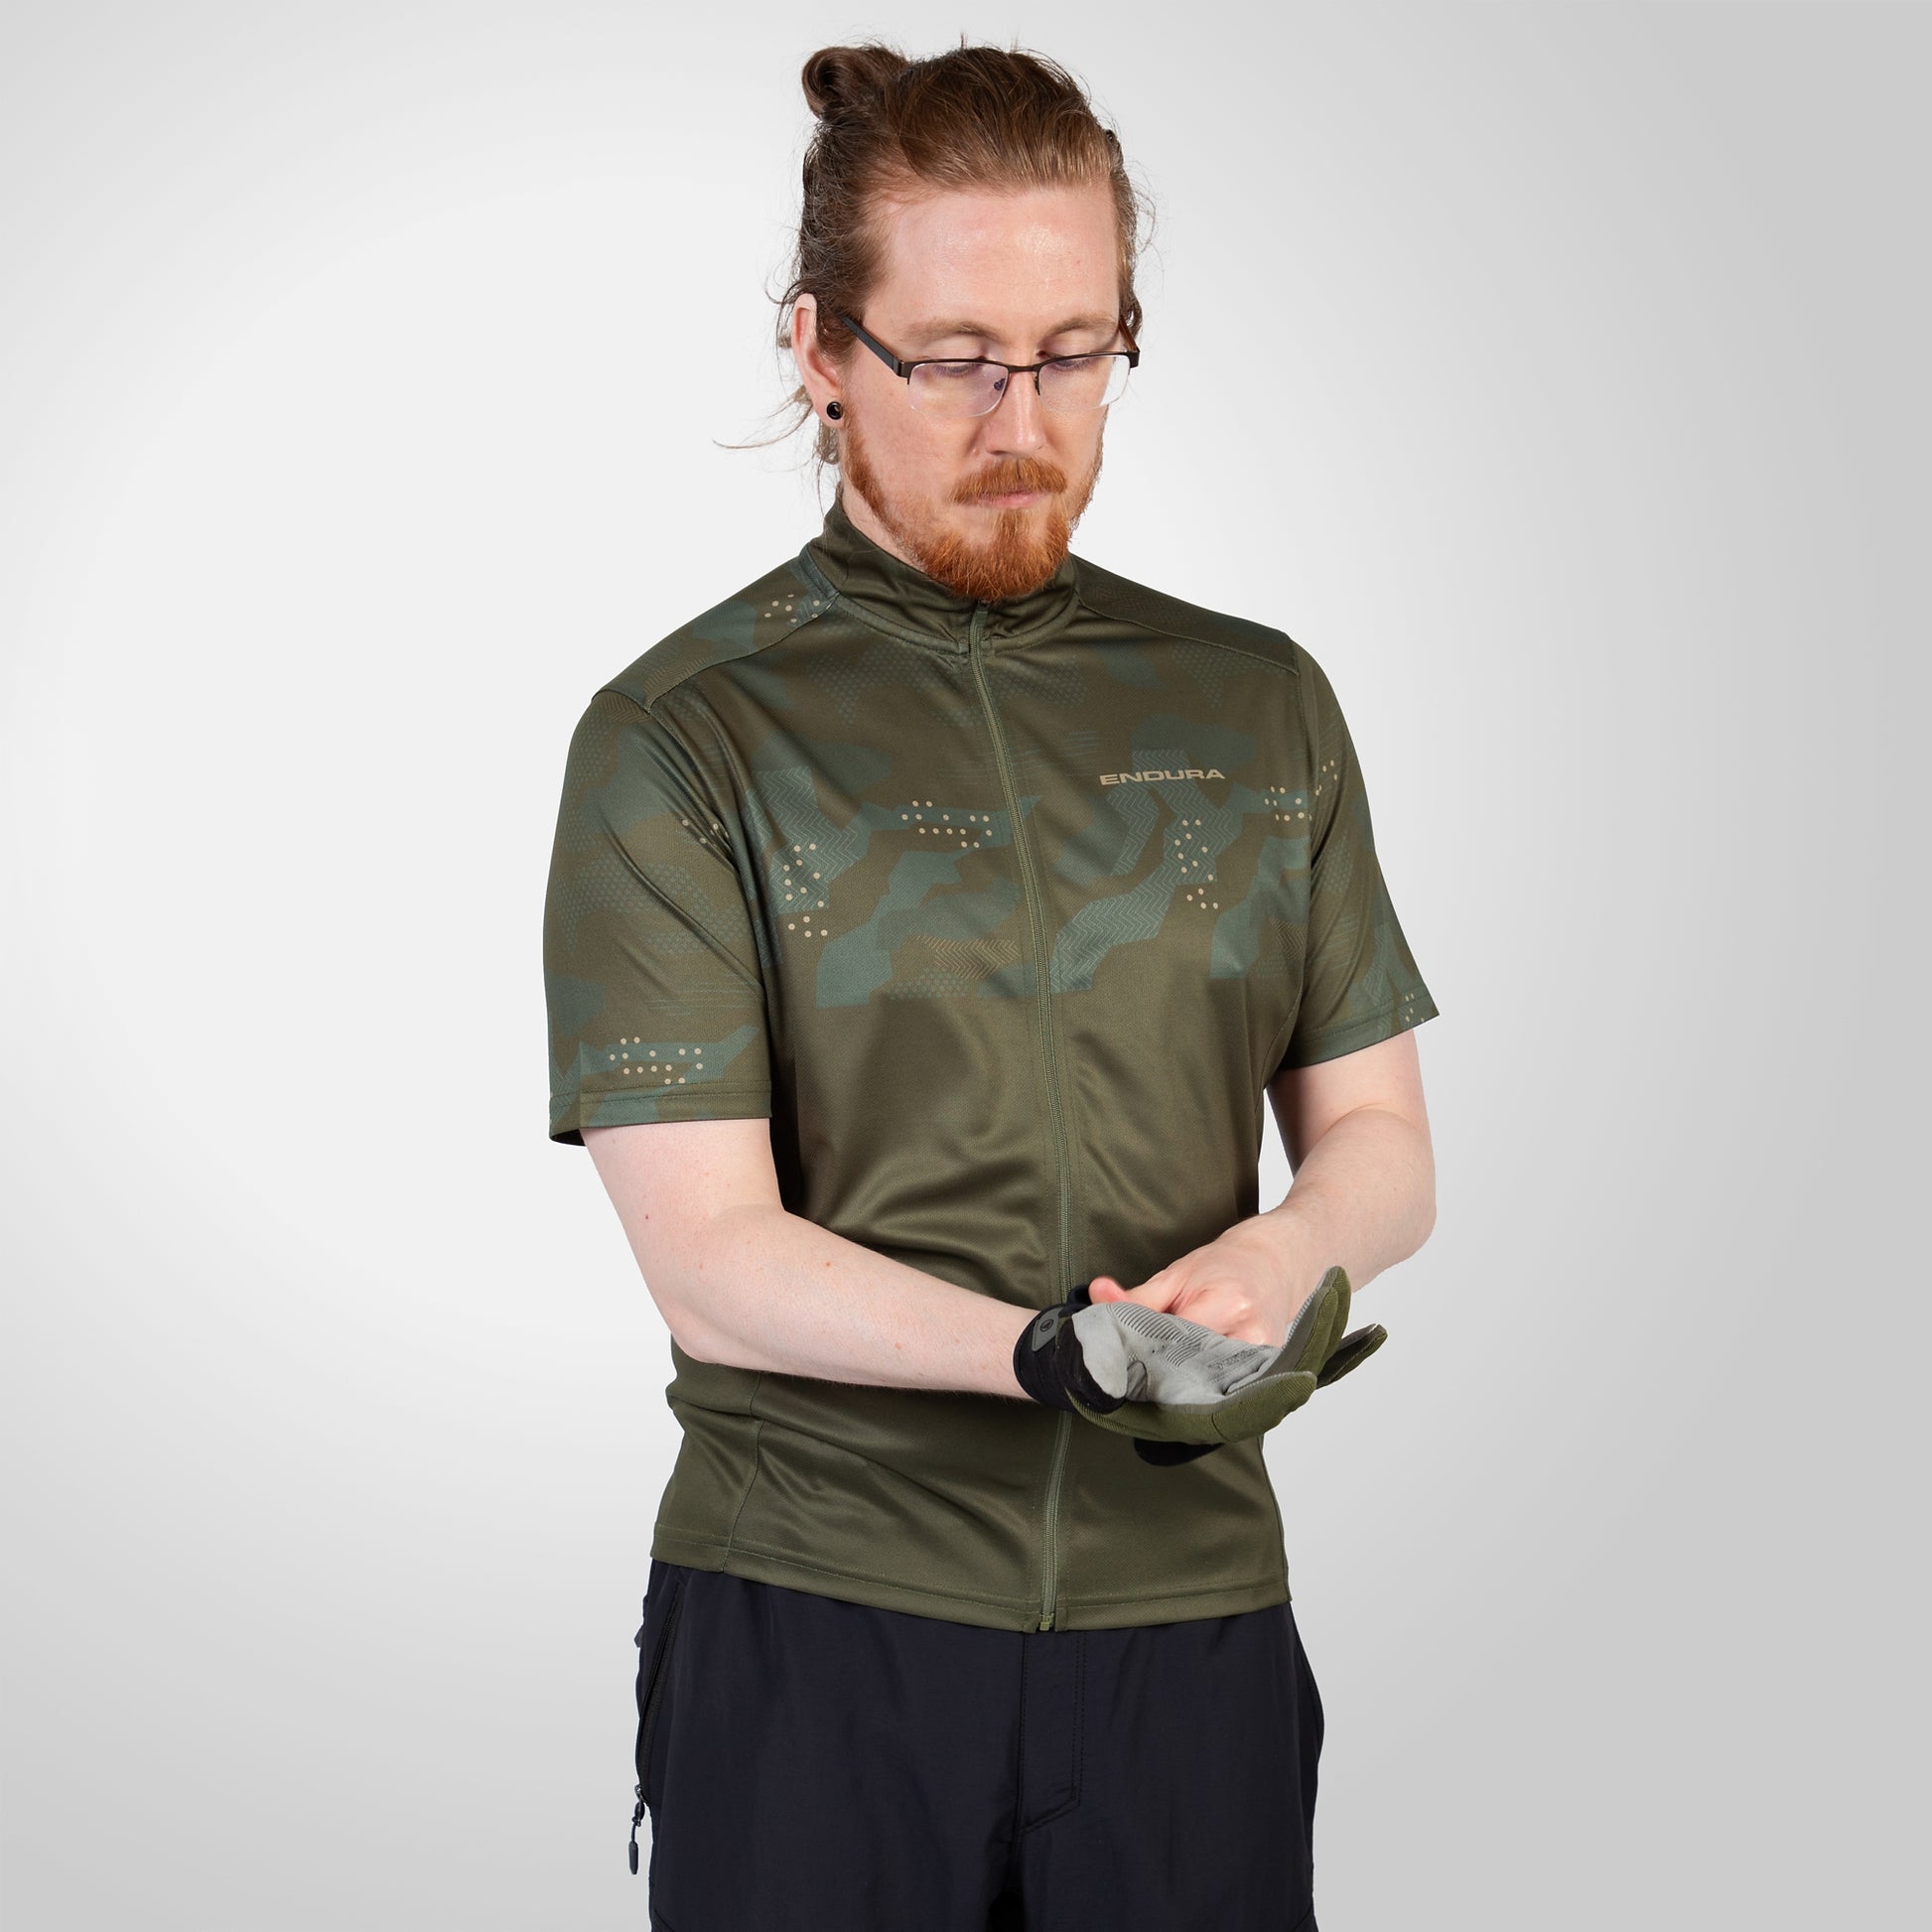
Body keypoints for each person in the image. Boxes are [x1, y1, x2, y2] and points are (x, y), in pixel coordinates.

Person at [540, 37, 1439, 1932]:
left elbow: (1377, 1137)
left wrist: (1277, 1259)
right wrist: (1041, 1353)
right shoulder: (683, 737)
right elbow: (707, 1252)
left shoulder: (1256, 702)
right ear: (817, 348)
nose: (1018, 419)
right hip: (820, 1625)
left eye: (1073, 351)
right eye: (951, 359)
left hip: (1189, 1630)